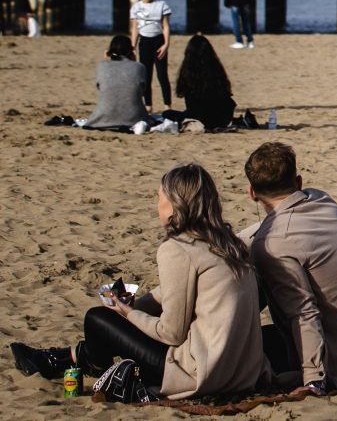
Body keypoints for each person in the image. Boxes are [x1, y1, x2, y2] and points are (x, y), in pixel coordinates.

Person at [8, 163, 269, 399]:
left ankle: (79, 361)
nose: (157, 205)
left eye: (159, 198)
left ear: (175, 206)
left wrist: (128, 313)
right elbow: (174, 290)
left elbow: (171, 334)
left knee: (97, 319)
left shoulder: (178, 249)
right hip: (242, 372)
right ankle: (72, 358)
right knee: (114, 320)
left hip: (200, 374)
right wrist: (136, 306)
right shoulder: (227, 242)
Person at [242, 142, 337, 392]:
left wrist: (313, 378)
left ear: (252, 193)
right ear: (299, 182)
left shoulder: (273, 244)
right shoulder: (322, 199)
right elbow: (276, 228)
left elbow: (302, 312)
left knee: (235, 350)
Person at [82, 35, 149, 131]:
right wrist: (133, 62)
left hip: (103, 117)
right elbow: (142, 92)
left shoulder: (102, 66)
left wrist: (106, 60)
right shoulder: (140, 67)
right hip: (134, 117)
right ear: (131, 50)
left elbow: (100, 87)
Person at [175, 33, 238, 131]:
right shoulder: (216, 69)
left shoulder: (187, 72)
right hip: (221, 117)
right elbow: (225, 93)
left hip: (200, 117)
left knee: (167, 113)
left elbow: (182, 93)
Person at [130, 0, 173, 110]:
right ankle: (148, 105)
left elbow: (166, 26)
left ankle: (167, 105)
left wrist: (166, 44)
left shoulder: (161, 5)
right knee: (146, 76)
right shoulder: (136, 7)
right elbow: (135, 28)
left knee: (162, 75)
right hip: (144, 42)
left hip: (158, 42)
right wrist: (133, 46)